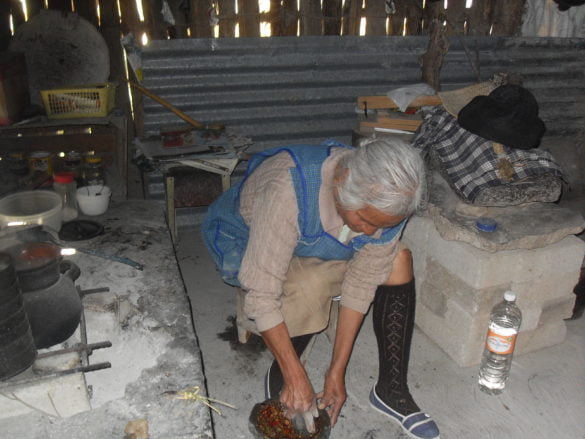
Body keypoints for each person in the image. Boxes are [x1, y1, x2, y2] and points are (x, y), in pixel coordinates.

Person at [202, 137, 440, 439]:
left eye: (382, 225)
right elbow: (262, 294)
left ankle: (390, 390)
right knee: (307, 283)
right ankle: (283, 372)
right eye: (364, 219)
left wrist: (336, 371)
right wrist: (296, 376)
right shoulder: (287, 189)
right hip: (253, 241)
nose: (372, 231)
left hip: (320, 245)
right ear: (341, 181)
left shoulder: (389, 203)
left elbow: (361, 283)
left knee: (398, 260)